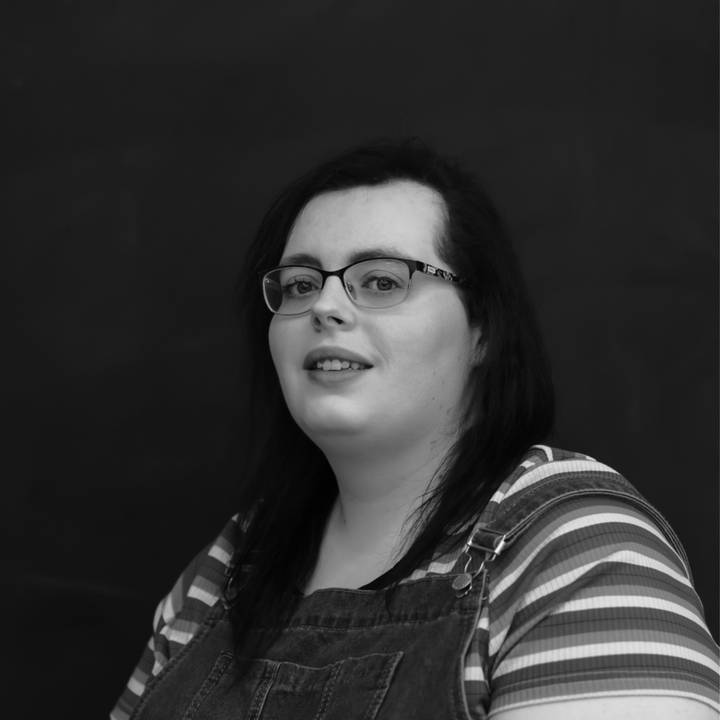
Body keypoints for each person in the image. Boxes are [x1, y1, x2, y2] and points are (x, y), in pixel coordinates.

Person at [111, 140, 719, 719]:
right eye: (299, 284)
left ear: (483, 330)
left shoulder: (576, 547)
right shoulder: (230, 565)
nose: (324, 306)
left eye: (382, 281)